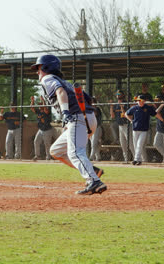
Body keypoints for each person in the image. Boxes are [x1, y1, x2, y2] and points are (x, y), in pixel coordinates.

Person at [31, 54, 107, 195]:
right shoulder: (65, 82)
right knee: (56, 151)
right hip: (87, 118)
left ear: (47, 67)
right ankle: (92, 170)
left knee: (75, 152)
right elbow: (88, 99)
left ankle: (94, 181)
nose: (37, 72)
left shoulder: (48, 79)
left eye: (39, 68)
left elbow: (60, 92)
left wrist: (66, 112)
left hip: (76, 117)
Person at [125, 94, 164, 165]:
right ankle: (138, 159)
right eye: (138, 101)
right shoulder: (134, 108)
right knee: (135, 145)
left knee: (139, 144)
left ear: (144, 101)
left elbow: (155, 114)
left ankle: (136, 159)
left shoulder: (148, 108)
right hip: (135, 129)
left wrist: (163, 120)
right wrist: (131, 120)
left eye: (141, 100)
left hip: (144, 130)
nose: (140, 102)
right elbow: (126, 114)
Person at [110, 90, 134, 162]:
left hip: (127, 125)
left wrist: (122, 107)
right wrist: (111, 106)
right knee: (123, 144)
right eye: (117, 94)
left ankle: (136, 157)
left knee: (130, 143)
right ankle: (126, 158)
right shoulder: (115, 105)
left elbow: (127, 115)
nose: (118, 95)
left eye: (120, 94)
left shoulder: (126, 103)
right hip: (120, 126)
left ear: (123, 95)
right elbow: (112, 116)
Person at [30, 96, 54, 161]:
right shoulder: (38, 111)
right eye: (39, 105)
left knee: (47, 143)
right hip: (41, 129)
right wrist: (32, 101)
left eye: (41, 105)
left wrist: (43, 101)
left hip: (47, 130)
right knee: (36, 141)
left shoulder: (46, 111)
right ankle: (37, 156)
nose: (39, 106)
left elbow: (45, 109)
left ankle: (48, 157)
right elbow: (32, 108)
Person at [89, 97, 103, 161]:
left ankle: (91, 156)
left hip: (97, 128)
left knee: (94, 143)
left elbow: (95, 113)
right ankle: (98, 157)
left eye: (93, 102)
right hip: (90, 128)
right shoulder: (88, 109)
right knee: (94, 143)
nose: (91, 103)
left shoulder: (97, 109)